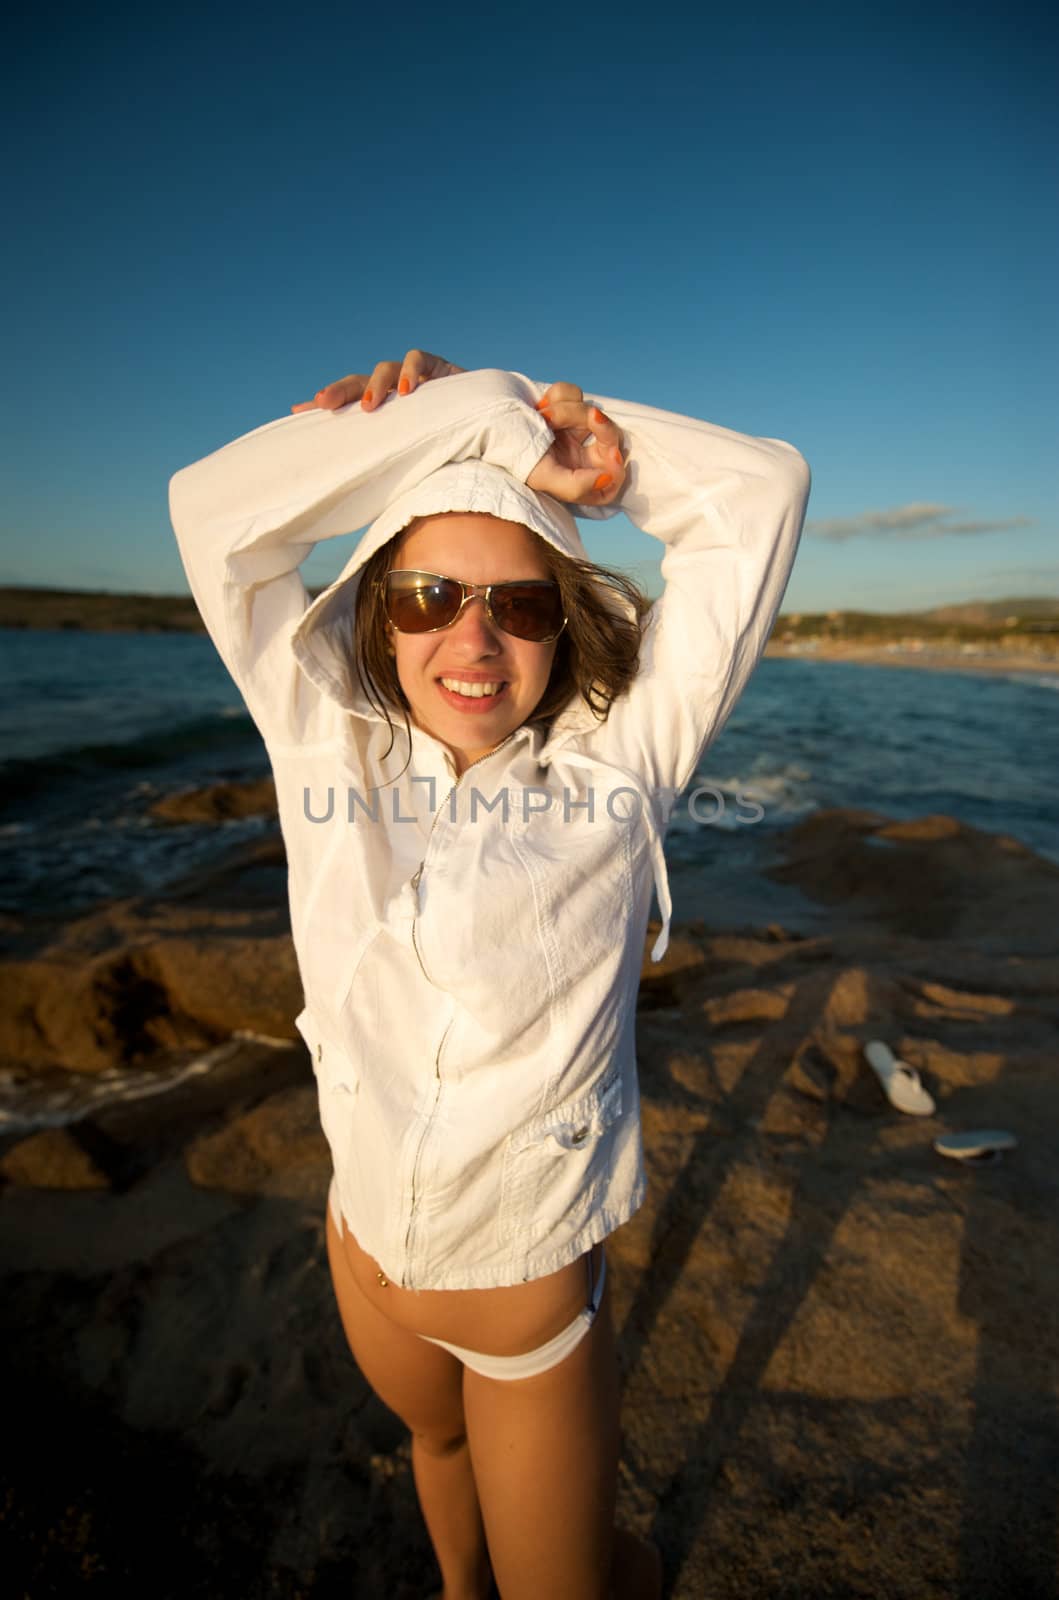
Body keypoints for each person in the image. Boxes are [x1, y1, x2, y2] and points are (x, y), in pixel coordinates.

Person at [169, 350, 811, 1600]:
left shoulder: (620, 770)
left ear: (561, 628)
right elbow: (212, 509)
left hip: (522, 1318)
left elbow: (763, 491)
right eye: (427, 593)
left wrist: (534, 426)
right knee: (436, 1452)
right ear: (377, 605)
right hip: (364, 1261)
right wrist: (455, 419)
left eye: (519, 605)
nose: (472, 636)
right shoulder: (323, 732)